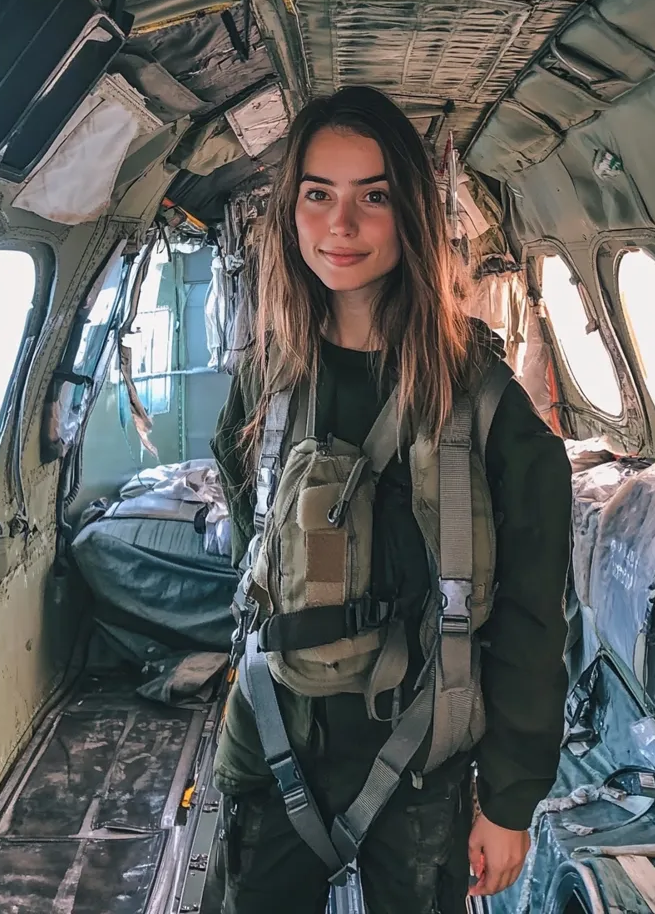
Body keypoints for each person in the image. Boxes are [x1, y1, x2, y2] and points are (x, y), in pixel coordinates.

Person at [210, 85, 571, 914]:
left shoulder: (483, 403)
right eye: (318, 195)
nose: (342, 226)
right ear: (290, 212)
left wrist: (509, 799)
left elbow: (532, 610)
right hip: (273, 737)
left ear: (408, 211)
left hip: (420, 760)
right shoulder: (264, 382)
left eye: (373, 196)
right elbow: (252, 537)